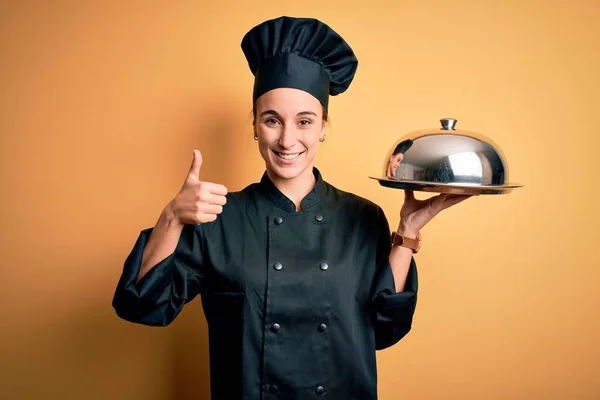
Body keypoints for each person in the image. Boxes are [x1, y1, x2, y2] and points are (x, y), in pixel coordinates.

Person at [112, 16, 470, 400]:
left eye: (304, 121)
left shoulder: (363, 217)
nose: (287, 140)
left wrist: (409, 232)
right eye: (271, 120)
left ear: (323, 127)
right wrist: (172, 218)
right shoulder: (217, 218)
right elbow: (142, 306)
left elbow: (384, 329)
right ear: (254, 125)